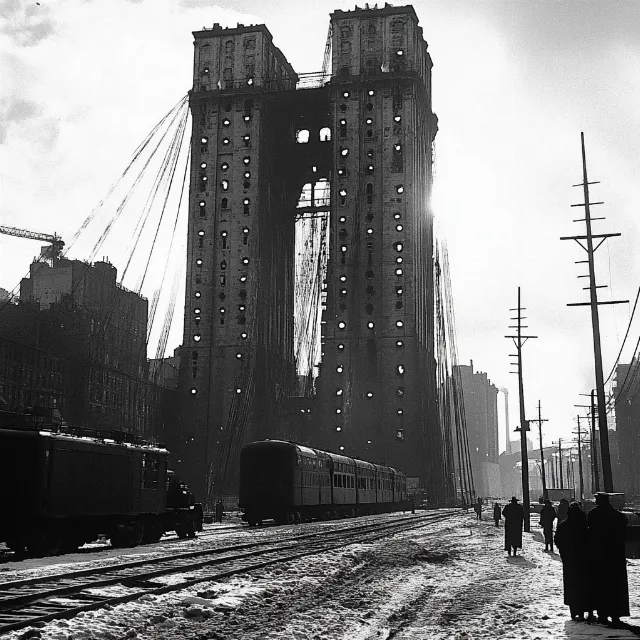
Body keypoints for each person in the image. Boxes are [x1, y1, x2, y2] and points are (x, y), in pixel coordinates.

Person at [587, 493, 630, 626]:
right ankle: (616, 613)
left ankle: (602, 613)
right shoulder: (618, 515)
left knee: (601, 584)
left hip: (599, 555)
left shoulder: (593, 514)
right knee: (616, 585)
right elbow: (625, 532)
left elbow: (590, 532)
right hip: (615, 555)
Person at [554, 502, 593, 621]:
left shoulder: (563, 525)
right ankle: (586, 609)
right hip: (584, 560)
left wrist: (564, 554)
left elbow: (558, 540)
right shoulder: (585, 526)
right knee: (585, 585)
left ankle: (574, 610)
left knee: (571, 585)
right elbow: (591, 541)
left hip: (569, 561)